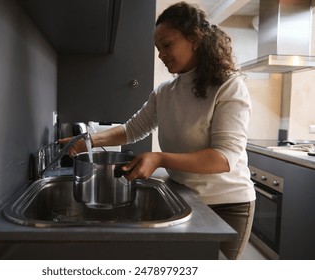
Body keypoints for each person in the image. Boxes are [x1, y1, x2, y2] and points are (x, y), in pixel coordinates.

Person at [60, 1, 255, 260]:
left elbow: (223, 158)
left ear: (195, 38)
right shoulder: (165, 92)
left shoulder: (228, 87)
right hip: (185, 195)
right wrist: (86, 141)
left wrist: (160, 158)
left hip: (227, 204)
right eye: (158, 48)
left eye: (167, 45)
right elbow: (133, 129)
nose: (161, 54)